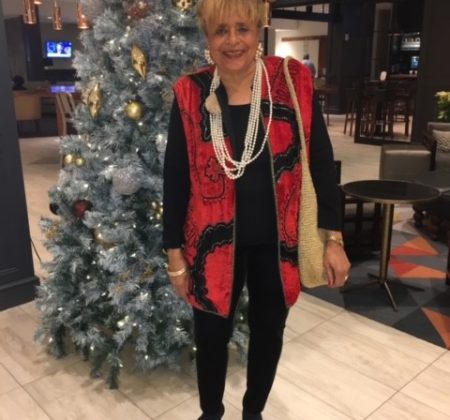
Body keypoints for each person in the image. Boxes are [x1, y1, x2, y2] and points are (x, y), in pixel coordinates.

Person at [163, 1, 351, 419]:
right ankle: (210, 413)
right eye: (221, 31)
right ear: (208, 38)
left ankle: (254, 413)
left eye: (243, 29)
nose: (233, 41)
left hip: (277, 243)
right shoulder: (190, 92)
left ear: (259, 31)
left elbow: (320, 162)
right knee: (210, 337)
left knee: (269, 333)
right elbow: (175, 177)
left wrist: (333, 238)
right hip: (211, 247)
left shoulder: (292, 82)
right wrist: (175, 254)